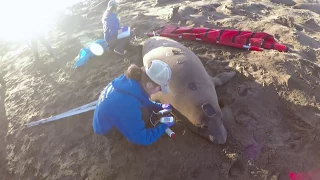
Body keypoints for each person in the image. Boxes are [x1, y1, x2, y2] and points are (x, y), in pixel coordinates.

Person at [92, 60, 174, 146]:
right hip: (109, 129)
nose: (160, 91)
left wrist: (158, 106)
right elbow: (143, 138)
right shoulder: (127, 104)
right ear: (150, 85)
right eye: (160, 88)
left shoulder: (131, 81)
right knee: (144, 115)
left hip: (108, 116)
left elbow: (140, 97)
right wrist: (163, 125)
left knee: (142, 111)